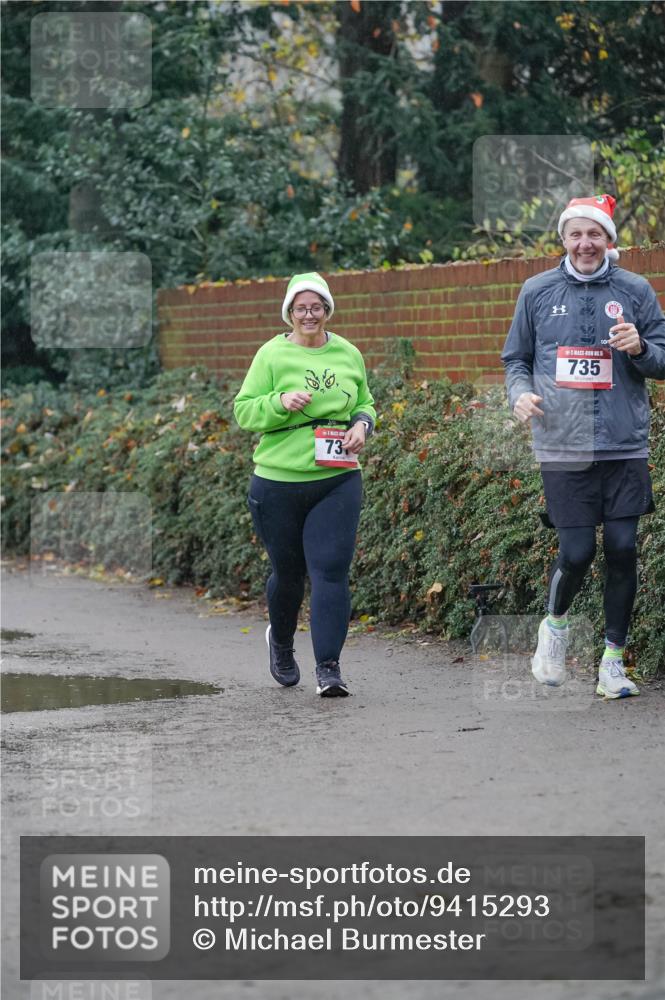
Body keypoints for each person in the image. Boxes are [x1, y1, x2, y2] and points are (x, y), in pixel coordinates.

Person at [501, 194, 665, 698]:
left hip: (623, 443)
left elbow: (662, 358)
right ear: (563, 239)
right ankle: (554, 628)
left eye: (595, 234)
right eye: (576, 233)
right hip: (562, 443)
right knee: (574, 552)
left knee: (621, 549)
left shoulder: (635, 290)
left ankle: (613, 662)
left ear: (610, 240)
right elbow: (516, 358)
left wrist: (639, 349)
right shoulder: (536, 291)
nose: (585, 242)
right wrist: (520, 394)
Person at [234, 272, 376, 697]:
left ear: (327, 310)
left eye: (317, 307)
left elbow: (365, 401)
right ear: (290, 313)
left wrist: (362, 425)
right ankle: (280, 641)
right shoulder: (272, 355)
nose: (309, 314)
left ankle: (329, 669)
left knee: (331, 572)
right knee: (289, 575)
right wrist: (279, 403)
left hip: (337, 478)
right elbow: (244, 411)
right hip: (278, 482)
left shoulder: (348, 353)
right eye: (301, 308)